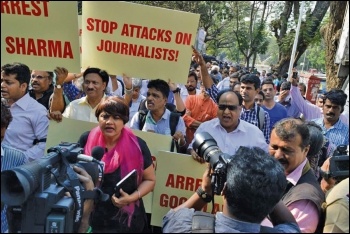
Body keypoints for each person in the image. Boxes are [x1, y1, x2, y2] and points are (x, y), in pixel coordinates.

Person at [162, 146, 301, 233]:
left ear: (224, 190)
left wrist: (203, 191)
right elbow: (291, 226)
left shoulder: (183, 225)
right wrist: (268, 187)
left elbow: (170, 218)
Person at [79, 96, 156, 233]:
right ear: (98, 118)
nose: (109, 122)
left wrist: (131, 198)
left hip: (127, 221)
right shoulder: (86, 139)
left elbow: (150, 180)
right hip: (93, 218)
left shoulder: (138, 145)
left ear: (124, 120)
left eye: (116, 117)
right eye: (105, 116)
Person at [269, 118, 325, 233]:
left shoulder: (304, 200)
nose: (278, 155)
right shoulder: (274, 173)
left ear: (305, 150)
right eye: (274, 147)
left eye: (286, 150)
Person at [189, 89, 268, 163]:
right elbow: (191, 148)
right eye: (222, 107)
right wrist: (192, 152)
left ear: (240, 109)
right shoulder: (205, 128)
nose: (226, 112)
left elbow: (265, 161)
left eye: (231, 108)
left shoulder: (254, 134)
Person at [1, 62, 49, 162]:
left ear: (23, 86)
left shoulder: (38, 111)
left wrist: (20, 159)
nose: (2, 85)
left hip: (17, 171)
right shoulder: (2, 104)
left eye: (8, 82)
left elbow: (44, 143)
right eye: (1, 81)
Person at [129, 79, 187, 148]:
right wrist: (144, 138)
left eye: (155, 96)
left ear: (165, 100)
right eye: (148, 94)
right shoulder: (139, 117)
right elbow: (131, 144)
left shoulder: (177, 120)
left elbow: (182, 148)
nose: (150, 98)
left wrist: (181, 140)